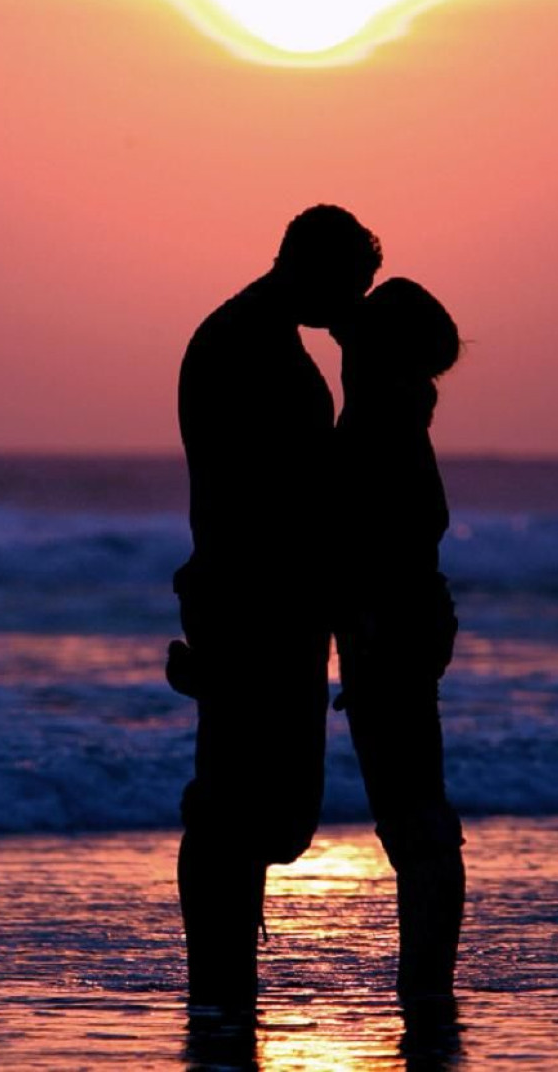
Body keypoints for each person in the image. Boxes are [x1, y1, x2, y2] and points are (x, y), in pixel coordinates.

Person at [169, 204, 383, 1013]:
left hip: (258, 599)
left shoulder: (252, 336)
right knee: (237, 803)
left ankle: (223, 980)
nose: (355, 303)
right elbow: (280, 489)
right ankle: (218, 980)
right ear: (312, 268)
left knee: (257, 804)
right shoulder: (245, 345)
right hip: (250, 599)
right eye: (351, 286)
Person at [333, 278, 465, 1018]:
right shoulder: (396, 414)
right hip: (405, 628)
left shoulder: (379, 424)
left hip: (392, 633)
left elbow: (372, 550)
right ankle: (426, 983)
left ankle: (427, 986)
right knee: (415, 813)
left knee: (413, 817)